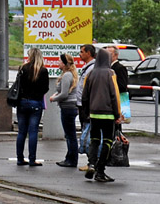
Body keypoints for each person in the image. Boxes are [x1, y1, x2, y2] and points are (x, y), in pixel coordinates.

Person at [83, 50, 123, 183]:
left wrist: (87, 112)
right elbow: (115, 95)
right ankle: (100, 170)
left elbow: (85, 96)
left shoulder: (90, 74)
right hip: (108, 114)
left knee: (94, 140)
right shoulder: (110, 73)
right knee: (107, 141)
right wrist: (117, 114)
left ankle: (91, 164)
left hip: (93, 113)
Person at [14, 47, 49, 166]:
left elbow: (18, 85)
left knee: (21, 132)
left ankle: (20, 158)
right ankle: (32, 159)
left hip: (22, 102)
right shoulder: (43, 71)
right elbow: (45, 88)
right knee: (33, 131)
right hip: (36, 103)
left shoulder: (23, 68)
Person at [47, 53, 81, 167]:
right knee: (70, 134)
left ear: (65, 63)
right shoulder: (69, 74)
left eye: (59, 61)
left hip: (68, 107)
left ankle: (72, 159)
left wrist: (54, 98)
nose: (58, 63)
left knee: (70, 135)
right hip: (70, 107)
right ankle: (69, 157)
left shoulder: (67, 75)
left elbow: (64, 94)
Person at [76, 44, 97, 170]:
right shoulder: (87, 67)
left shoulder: (92, 68)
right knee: (85, 131)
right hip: (82, 104)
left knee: (88, 134)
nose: (80, 54)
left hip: (87, 106)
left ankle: (92, 162)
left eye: (82, 52)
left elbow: (88, 88)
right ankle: (91, 161)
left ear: (89, 53)